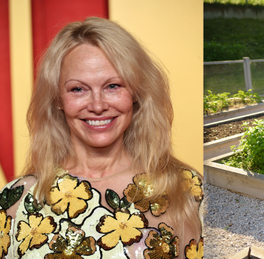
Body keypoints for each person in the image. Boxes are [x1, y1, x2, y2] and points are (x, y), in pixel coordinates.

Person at [0, 17, 203, 259]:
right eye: (78, 89)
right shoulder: (16, 199)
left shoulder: (186, 189)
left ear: (136, 93)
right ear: (57, 99)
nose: (97, 105)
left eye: (113, 86)